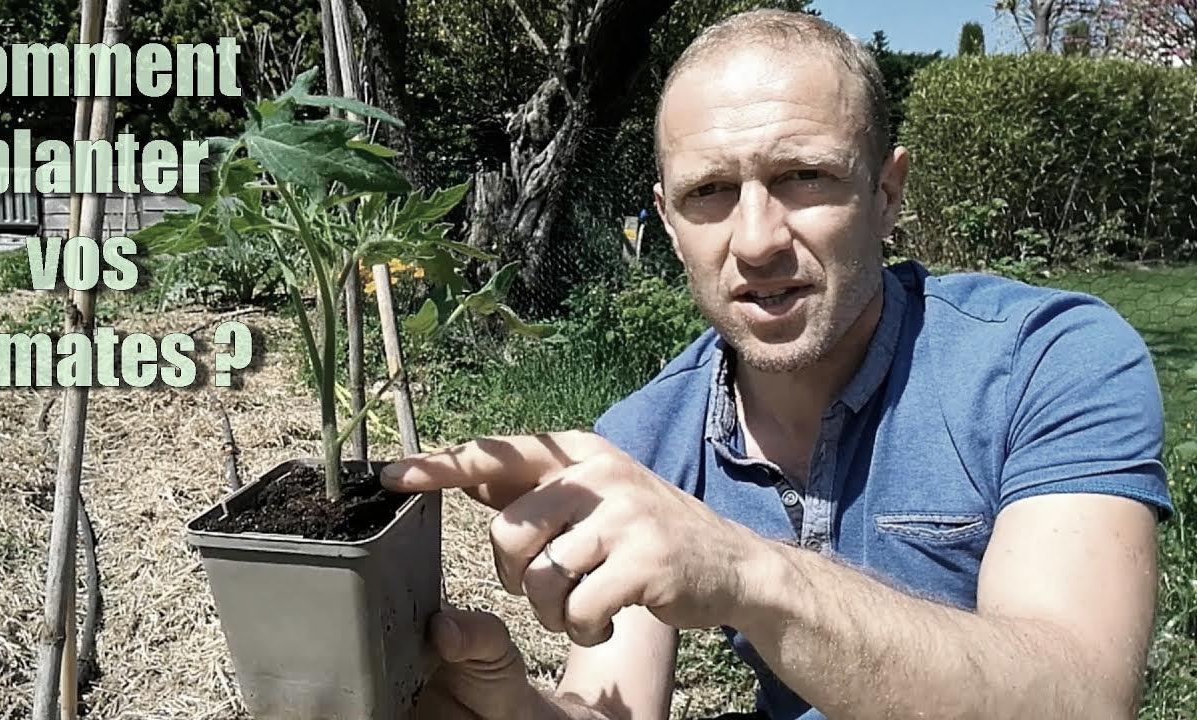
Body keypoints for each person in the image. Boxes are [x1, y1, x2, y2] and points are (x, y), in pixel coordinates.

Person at [383, 9, 1173, 720]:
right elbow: (609, 706)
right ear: (667, 220)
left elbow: (1080, 697)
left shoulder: (1045, 362)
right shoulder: (647, 439)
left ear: (887, 194)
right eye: (711, 192)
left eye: (803, 177)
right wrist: (516, 711)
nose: (756, 239)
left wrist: (741, 571)